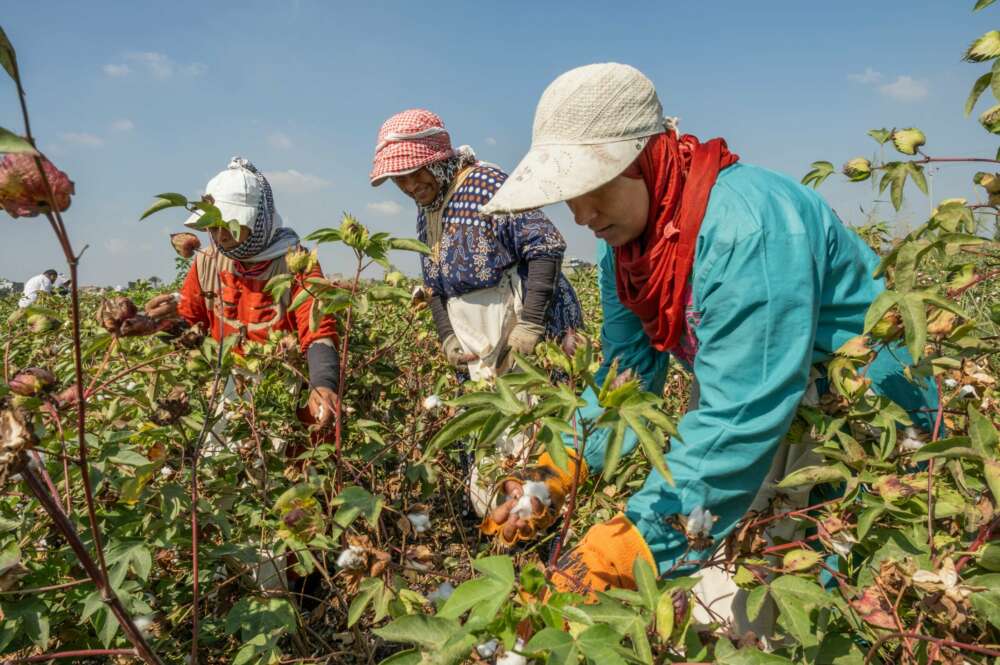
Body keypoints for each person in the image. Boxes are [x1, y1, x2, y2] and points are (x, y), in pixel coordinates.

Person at [478, 63, 938, 628]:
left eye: (593, 186)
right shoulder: (625, 250)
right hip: (763, 398)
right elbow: (627, 377)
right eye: (567, 195)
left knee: (843, 596)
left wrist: (618, 558)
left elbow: (741, 415)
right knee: (745, 589)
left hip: (864, 409)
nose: (581, 215)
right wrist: (551, 475)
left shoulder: (746, 229)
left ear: (644, 159)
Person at [370, 109, 583, 382]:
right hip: (481, 341)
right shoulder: (428, 210)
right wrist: (448, 336)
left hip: (526, 328)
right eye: (400, 178)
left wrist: (530, 324)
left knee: (542, 414)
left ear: (437, 160)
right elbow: (434, 285)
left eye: (417, 172)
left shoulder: (485, 184)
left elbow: (545, 244)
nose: (411, 185)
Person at [143, 157, 340, 431]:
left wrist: (323, 384)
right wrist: (153, 322)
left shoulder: (296, 263)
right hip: (223, 388)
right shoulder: (206, 261)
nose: (220, 235)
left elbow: (318, 331)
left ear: (258, 219)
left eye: (230, 224)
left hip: (281, 388)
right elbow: (191, 322)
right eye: (212, 226)